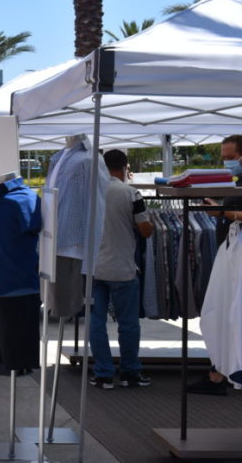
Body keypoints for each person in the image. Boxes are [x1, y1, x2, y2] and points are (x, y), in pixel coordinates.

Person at [90, 150, 154, 389]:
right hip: (123, 268)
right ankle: (130, 372)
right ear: (125, 167)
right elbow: (145, 230)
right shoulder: (131, 193)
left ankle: (103, 373)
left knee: (96, 322)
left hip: (94, 268)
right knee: (128, 323)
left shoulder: (90, 193)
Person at [192, 134, 242, 395]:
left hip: (237, 256)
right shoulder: (237, 182)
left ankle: (222, 372)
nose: (227, 163)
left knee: (229, 311)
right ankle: (219, 371)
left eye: (231, 158)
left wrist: (221, 212)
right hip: (230, 251)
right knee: (222, 311)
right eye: (224, 157)